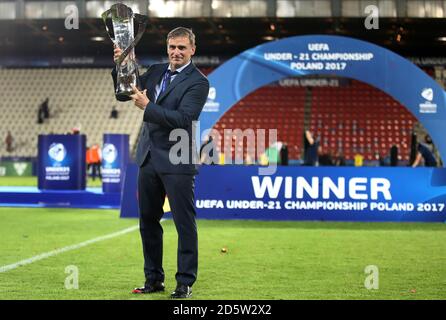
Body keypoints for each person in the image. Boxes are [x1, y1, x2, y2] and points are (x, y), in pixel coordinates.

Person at [112, 27, 209, 299]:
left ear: (192, 50)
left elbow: (183, 119)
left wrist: (148, 106)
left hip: (178, 159)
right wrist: (122, 64)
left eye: (181, 48)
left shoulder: (199, 82)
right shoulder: (155, 71)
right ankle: (153, 279)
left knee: (183, 223)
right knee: (148, 222)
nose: (176, 52)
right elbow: (124, 92)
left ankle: (184, 283)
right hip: (148, 157)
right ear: (167, 48)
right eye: (172, 47)